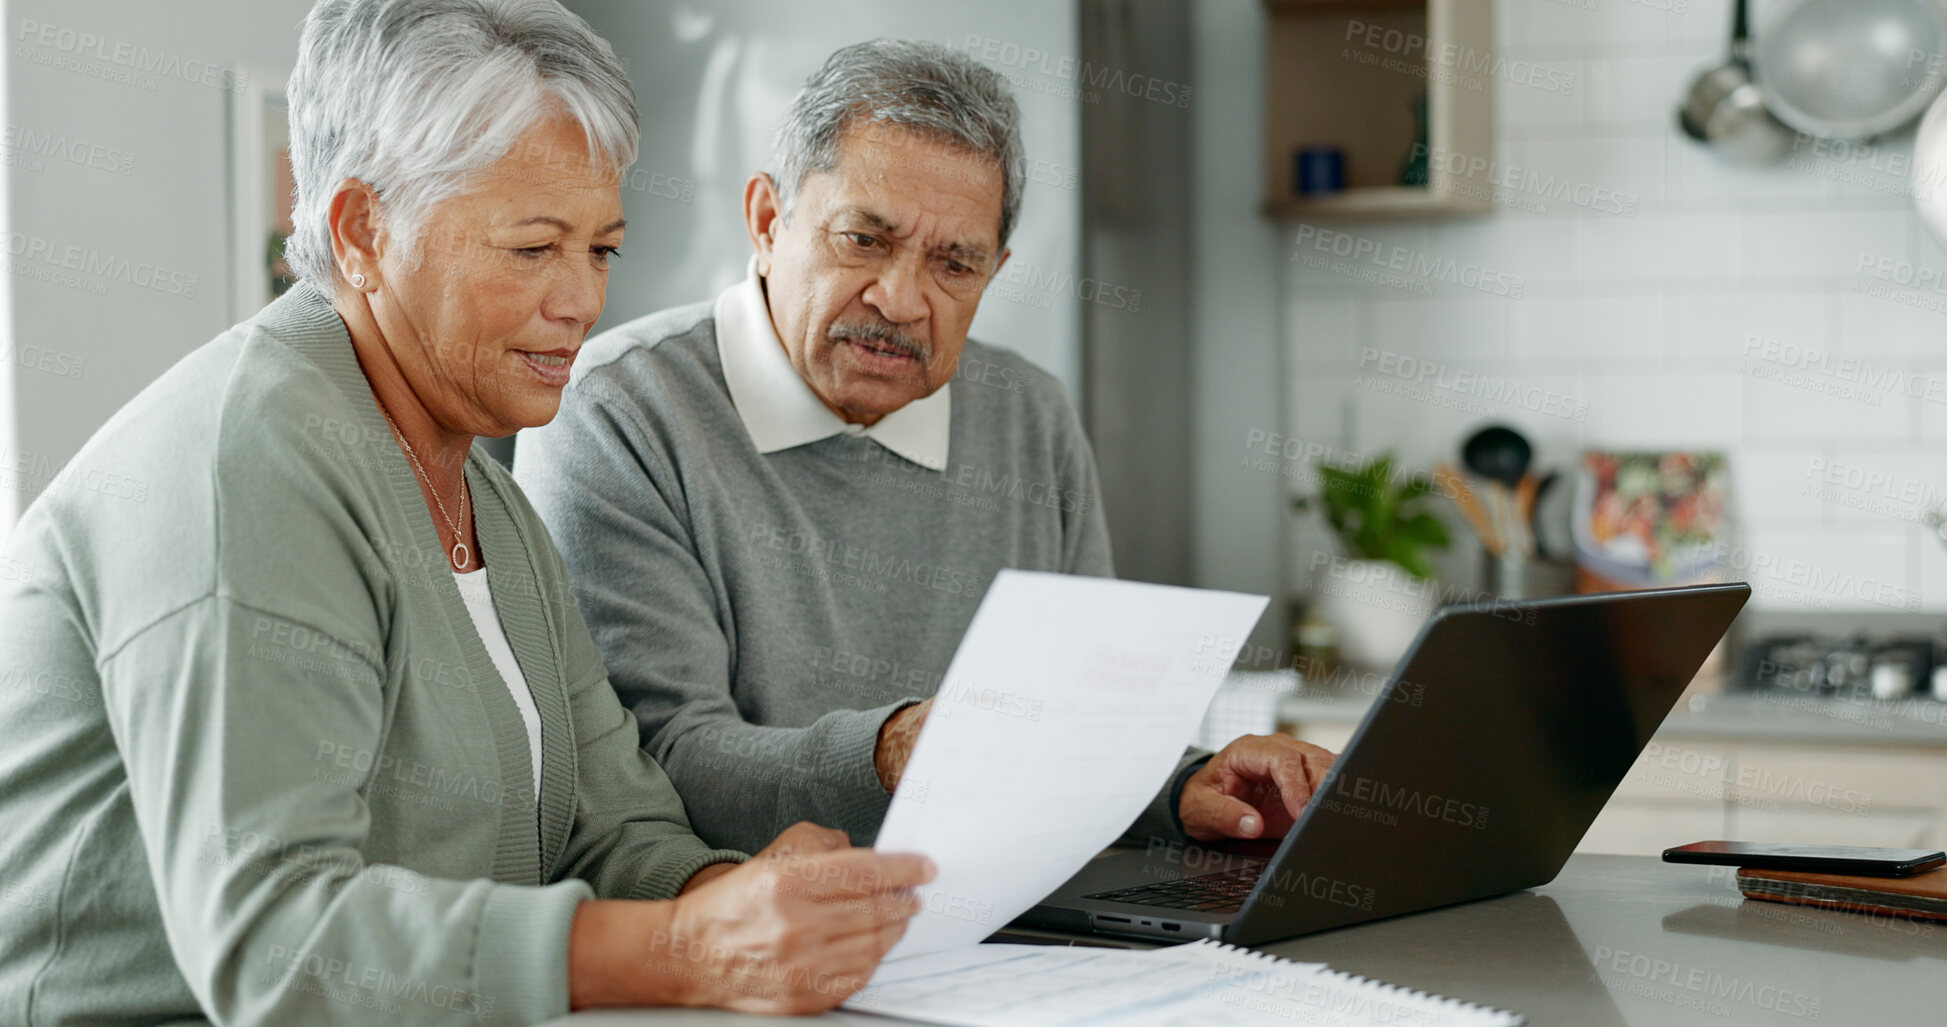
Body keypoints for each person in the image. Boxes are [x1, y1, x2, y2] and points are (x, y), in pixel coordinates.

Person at [0, 3, 929, 1024]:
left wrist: (735, 900)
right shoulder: (245, 459)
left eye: (601, 250)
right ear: (363, 232)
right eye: (533, 248)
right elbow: (274, 940)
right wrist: (682, 946)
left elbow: (608, 829)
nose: (580, 300)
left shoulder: (488, 499)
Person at [515, 39, 1337, 858]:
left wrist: (1180, 786)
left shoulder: (1030, 416)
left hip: (1000, 920)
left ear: (995, 270)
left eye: (954, 263)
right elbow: (654, 767)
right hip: (749, 938)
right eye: (863, 240)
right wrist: (893, 752)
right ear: (768, 222)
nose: (901, 299)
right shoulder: (615, 407)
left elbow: (1075, 727)